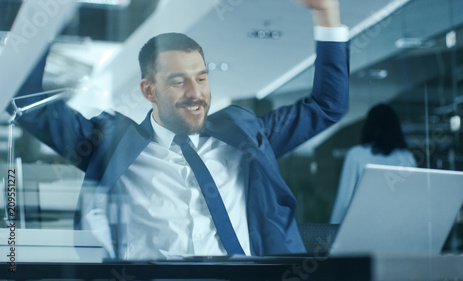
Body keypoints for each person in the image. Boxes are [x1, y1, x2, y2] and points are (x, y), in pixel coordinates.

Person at [11, 0, 349, 259]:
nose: (195, 93)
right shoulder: (109, 144)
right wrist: (44, 12)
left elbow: (326, 106)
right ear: (148, 91)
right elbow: (26, 102)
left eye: (201, 78)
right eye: (178, 81)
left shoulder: (245, 135)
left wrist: (327, 16)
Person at [330, 103, 416, 224]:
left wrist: (331, 233)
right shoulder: (406, 157)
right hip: (398, 224)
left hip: (364, 224)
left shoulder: (357, 154)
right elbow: (412, 198)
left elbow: (345, 198)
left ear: (368, 126)